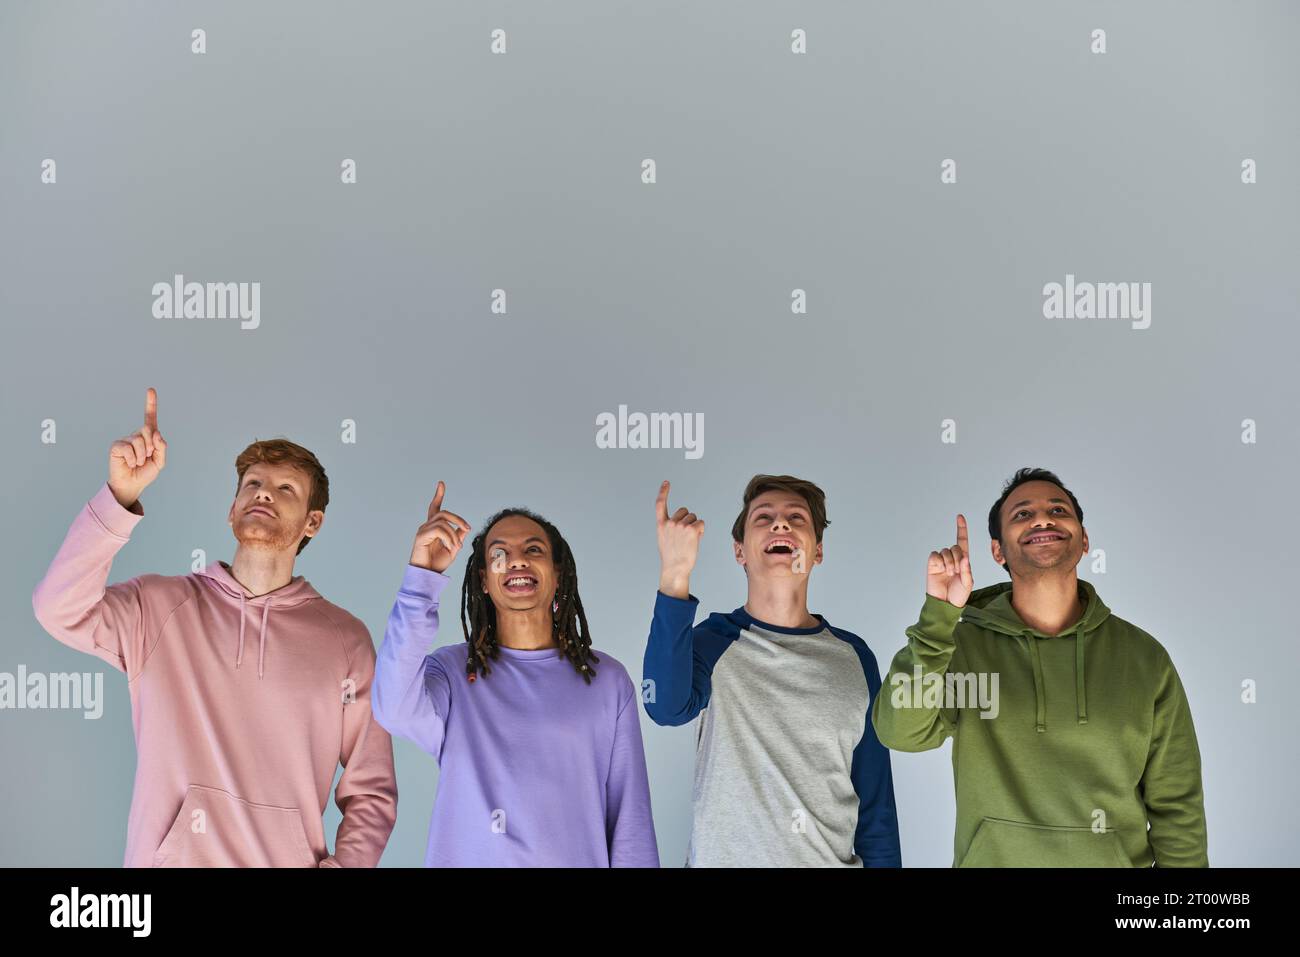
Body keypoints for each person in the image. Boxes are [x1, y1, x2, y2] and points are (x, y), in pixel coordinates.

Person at [31, 387, 397, 867]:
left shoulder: (346, 641)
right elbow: (58, 608)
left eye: (285, 488)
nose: (263, 492)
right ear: (231, 509)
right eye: (252, 483)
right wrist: (120, 495)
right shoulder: (159, 606)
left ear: (313, 523)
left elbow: (372, 790)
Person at [872, 467, 1208, 867]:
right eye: (1022, 514)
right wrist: (939, 616)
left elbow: (1178, 805)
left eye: (1058, 510)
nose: (1043, 519)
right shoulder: (963, 647)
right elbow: (901, 734)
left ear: (1084, 541)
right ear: (998, 551)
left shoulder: (1144, 658)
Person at [372, 481, 659, 867]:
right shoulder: (454, 673)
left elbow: (630, 820)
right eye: (500, 554)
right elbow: (391, 707)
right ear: (484, 582)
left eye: (533, 550)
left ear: (557, 573)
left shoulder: (606, 680)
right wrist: (422, 576)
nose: (517, 560)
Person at [643, 475, 901, 867]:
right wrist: (675, 575)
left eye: (797, 518)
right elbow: (664, 706)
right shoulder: (713, 641)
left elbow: (875, 802)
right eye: (763, 518)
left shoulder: (854, 657)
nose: (781, 524)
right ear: (739, 551)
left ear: (817, 552)